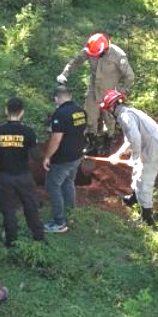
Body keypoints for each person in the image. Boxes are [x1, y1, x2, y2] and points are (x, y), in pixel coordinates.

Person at [56, 32, 135, 155]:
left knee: (109, 119)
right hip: (94, 89)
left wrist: (118, 92)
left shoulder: (118, 55)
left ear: (104, 49)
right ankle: (91, 142)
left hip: (110, 93)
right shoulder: (91, 49)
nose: (95, 56)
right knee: (89, 116)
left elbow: (129, 77)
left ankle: (106, 142)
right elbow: (76, 61)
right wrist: (64, 74)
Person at [100, 90, 158, 227]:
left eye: (108, 109)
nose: (108, 112)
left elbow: (135, 139)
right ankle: (134, 199)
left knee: (144, 181)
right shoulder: (128, 112)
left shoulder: (125, 116)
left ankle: (147, 218)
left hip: (153, 149)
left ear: (112, 107)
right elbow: (130, 140)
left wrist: (134, 157)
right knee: (137, 173)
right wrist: (118, 155)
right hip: (154, 146)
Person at [0, 96, 45, 246]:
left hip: (4, 176)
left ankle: (11, 241)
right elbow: (36, 156)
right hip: (24, 176)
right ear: (22, 112)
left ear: (6, 111)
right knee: (30, 206)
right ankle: (39, 238)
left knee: (8, 210)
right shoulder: (28, 132)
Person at [42, 85, 87, 233]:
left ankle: (59, 222)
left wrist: (47, 156)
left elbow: (56, 139)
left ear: (57, 98)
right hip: (77, 155)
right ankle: (70, 214)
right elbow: (83, 131)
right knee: (68, 183)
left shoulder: (60, 113)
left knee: (52, 186)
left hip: (63, 158)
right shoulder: (81, 111)